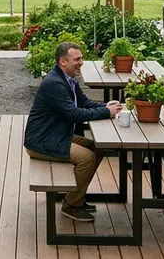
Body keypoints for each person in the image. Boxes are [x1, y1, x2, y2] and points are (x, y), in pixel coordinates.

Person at [24, 41, 123, 223]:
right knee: (87, 157)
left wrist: (105, 106)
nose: (81, 62)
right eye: (77, 59)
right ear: (63, 61)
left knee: (97, 147)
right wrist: (106, 113)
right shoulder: (55, 84)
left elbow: (84, 103)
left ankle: (77, 196)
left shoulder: (68, 79)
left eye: (81, 58)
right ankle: (71, 204)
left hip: (57, 134)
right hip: (42, 141)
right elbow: (73, 114)